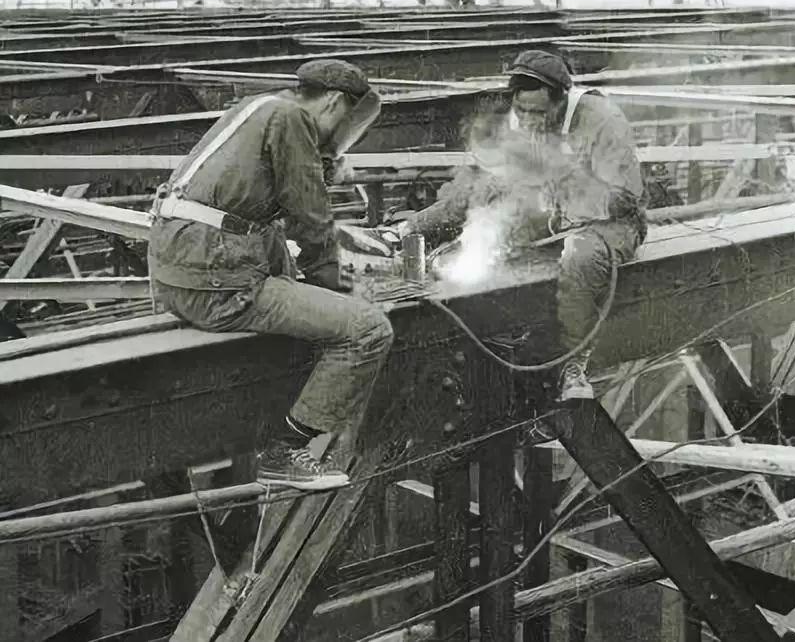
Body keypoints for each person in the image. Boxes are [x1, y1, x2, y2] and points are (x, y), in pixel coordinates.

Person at [148, 59, 394, 491]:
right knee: (369, 330)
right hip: (220, 287)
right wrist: (338, 291)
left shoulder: (257, 107)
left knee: (318, 304)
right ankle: (286, 451)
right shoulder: (293, 119)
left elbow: (256, 213)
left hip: (177, 277)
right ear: (335, 102)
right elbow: (311, 217)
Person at [402, 50, 647, 399]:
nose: (529, 121)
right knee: (484, 200)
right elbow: (498, 179)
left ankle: (574, 366)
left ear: (561, 101)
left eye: (538, 113)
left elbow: (623, 200)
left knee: (580, 255)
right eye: (522, 111)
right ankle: (400, 234)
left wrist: (560, 179)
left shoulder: (603, 121)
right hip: (551, 210)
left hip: (610, 223)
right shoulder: (520, 118)